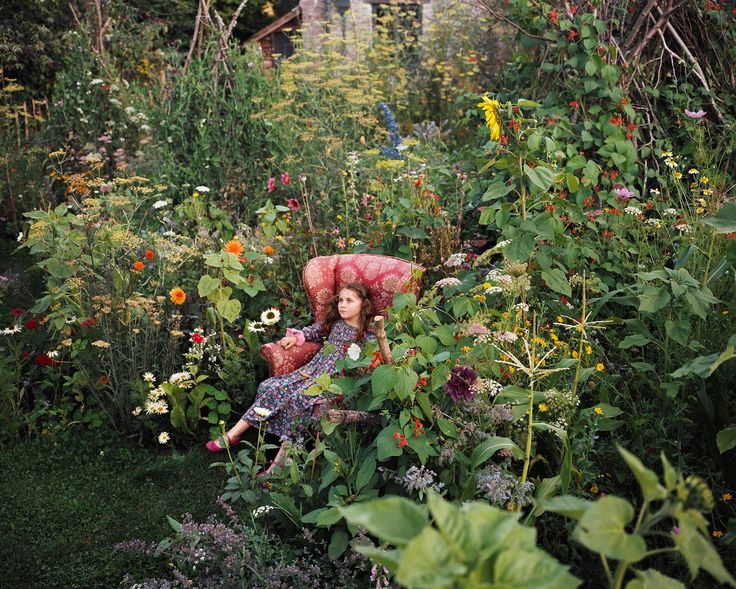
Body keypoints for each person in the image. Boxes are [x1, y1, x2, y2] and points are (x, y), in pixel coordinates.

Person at [206, 282, 377, 473]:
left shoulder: (367, 334)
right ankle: (231, 436)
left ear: (363, 305)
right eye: (341, 300)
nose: (342, 305)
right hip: (313, 371)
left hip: (333, 381)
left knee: (300, 399)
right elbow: (315, 330)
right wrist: (297, 337)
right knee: (271, 387)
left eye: (349, 301)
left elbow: (368, 362)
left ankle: (276, 467)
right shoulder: (336, 323)